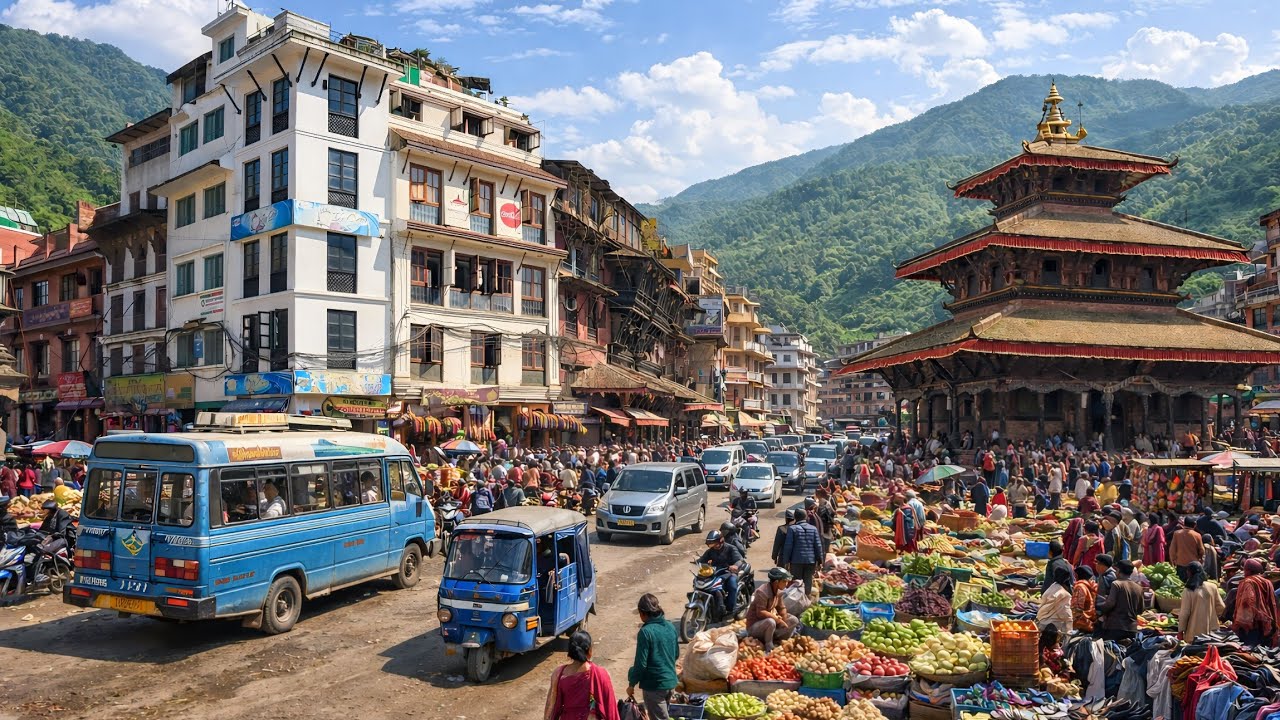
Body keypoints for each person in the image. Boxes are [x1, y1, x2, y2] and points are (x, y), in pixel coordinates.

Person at [543, 631, 620, 720]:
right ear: (589, 651)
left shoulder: (559, 673)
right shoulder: (601, 673)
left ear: (570, 651)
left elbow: (550, 706)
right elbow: (610, 707)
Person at [627, 594, 679, 720]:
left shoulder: (646, 632)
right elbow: (676, 654)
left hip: (655, 686)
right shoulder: (670, 626)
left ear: (643, 613)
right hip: (670, 684)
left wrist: (631, 683)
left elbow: (641, 665)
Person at [745, 567, 801, 652]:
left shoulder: (778, 592)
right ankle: (769, 645)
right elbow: (760, 612)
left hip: (769, 625)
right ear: (776, 582)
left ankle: (780, 639)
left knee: (794, 620)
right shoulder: (762, 592)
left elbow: (781, 608)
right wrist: (777, 620)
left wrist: (784, 619)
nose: (786, 584)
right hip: (755, 626)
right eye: (784, 581)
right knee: (771, 621)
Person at [1229, 558, 1279, 647]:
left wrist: (1240, 624)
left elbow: (1247, 602)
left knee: (1250, 651)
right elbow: (1273, 602)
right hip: (1267, 623)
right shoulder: (1267, 582)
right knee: (1263, 652)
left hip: (1251, 627)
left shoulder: (1247, 582)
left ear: (1248, 570)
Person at [696, 531, 744, 616]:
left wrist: (735, 566)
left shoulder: (731, 548)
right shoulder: (710, 551)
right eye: (710, 544)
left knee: (732, 585)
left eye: (714, 543)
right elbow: (702, 560)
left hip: (729, 572)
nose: (712, 546)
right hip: (716, 573)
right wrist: (697, 561)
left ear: (721, 541)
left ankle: (730, 608)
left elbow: (739, 560)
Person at [1095, 559, 1143, 641]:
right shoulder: (1139, 587)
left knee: (1111, 652)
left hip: (1115, 627)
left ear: (1119, 571)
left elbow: (1110, 604)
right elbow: (1140, 610)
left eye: (1116, 570)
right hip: (1132, 628)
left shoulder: (1116, 584)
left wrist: (1098, 607)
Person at [1178, 561, 1224, 641]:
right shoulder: (1212, 587)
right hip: (1212, 632)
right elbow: (1221, 607)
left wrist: (1180, 631)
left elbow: (1185, 613)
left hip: (1194, 634)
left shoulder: (1188, 590)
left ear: (1189, 573)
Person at [782, 510, 823, 595]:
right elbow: (818, 546)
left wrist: (786, 561)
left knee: (797, 582)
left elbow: (788, 546)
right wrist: (820, 560)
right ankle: (806, 599)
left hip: (796, 561)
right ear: (806, 517)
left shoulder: (792, 529)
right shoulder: (813, 529)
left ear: (795, 518)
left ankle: (798, 600)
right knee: (808, 581)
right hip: (810, 561)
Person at [1038, 564, 1073, 633]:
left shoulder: (1050, 588)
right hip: (1054, 627)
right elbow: (1066, 614)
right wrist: (1069, 629)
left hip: (1041, 622)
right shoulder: (1064, 594)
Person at [1071, 566, 1098, 633]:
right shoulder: (1094, 586)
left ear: (1077, 575)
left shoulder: (1080, 587)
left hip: (1083, 624)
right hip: (1094, 621)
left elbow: (1076, 610)